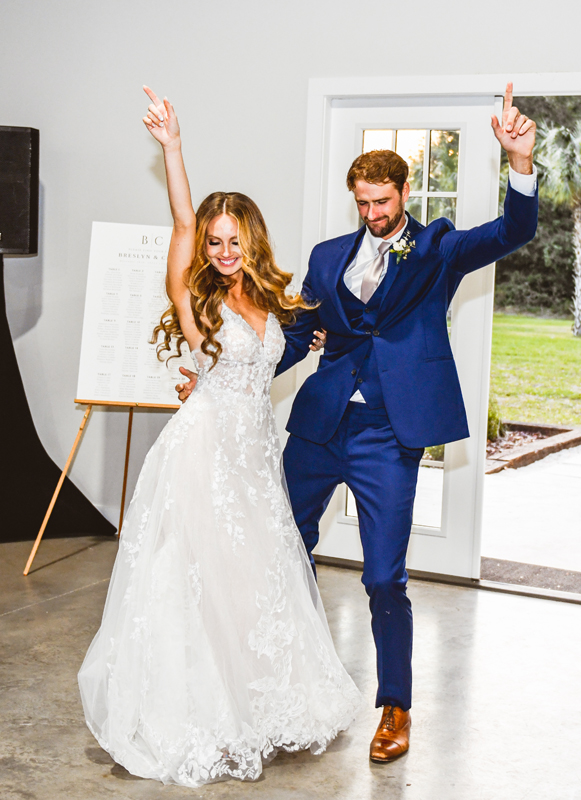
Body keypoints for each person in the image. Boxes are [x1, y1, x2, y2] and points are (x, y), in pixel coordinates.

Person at [179, 83, 539, 763]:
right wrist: (218, 372)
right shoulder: (326, 257)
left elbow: (510, 232)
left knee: (383, 578)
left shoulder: (436, 249)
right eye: (363, 203)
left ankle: (395, 706)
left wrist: (519, 163)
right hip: (318, 427)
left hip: (389, 435)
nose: (373, 214)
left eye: (383, 202)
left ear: (403, 194)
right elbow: (293, 337)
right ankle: (283, 680)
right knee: (283, 551)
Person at [77, 87, 362, 789]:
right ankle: (203, 712)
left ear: (251, 242)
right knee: (197, 584)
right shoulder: (193, 295)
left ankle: (257, 705)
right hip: (203, 450)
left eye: (236, 241)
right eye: (215, 241)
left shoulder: (265, 301)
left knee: (254, 583)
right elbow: (181, 216)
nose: (225, 251)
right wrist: (173, 147)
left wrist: (306, 341)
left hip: (254, 456)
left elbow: (274, 359)